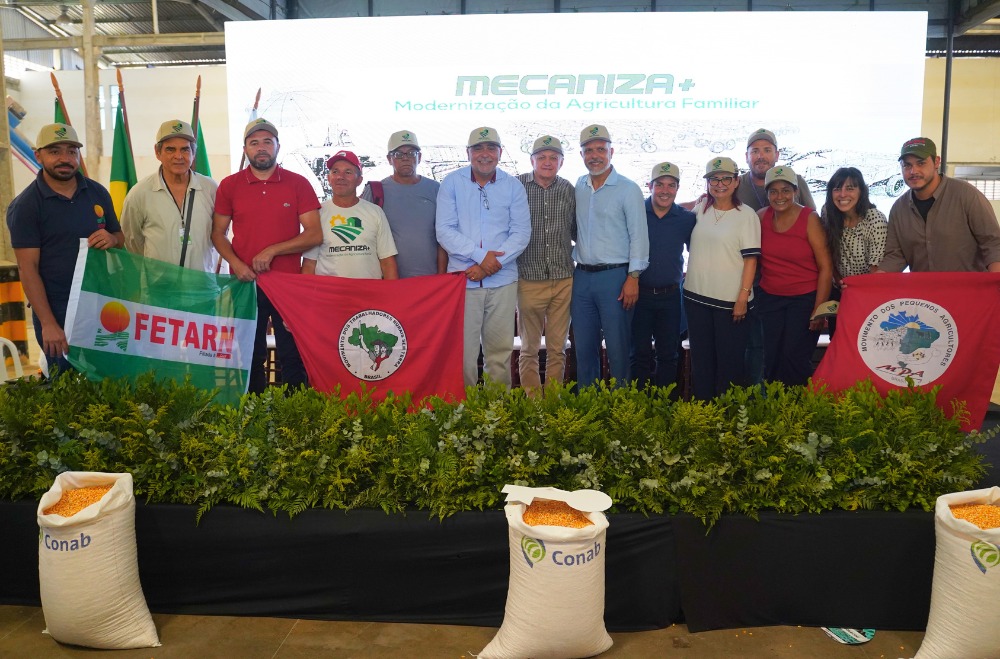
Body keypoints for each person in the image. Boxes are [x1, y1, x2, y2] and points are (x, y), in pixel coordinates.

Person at [212, 117, 322, 394]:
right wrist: (235, 264)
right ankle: (253, 414)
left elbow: (314, 234)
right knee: (249, 353)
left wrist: (274, 250)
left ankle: (295, 417)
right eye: (254, 143)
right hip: (245, 283)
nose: (261, 148)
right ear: (245, 149)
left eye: (267, 142)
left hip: (289, 285)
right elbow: (217, 234)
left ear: (277, 146)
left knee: (293, 353)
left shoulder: (298, 183)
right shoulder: (229, 185)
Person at [6, 123, 123, 373]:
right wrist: (48, 323)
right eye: (55, 151)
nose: (65, 159)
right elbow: (28, 270)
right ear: (38, 155)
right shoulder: (26, 206)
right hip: (57, 308)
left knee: (109, 380)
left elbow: (119, 236)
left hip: (100, 302)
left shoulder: (97, 193)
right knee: (68, 386)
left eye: (72, 151)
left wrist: (112, 239)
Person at [436, 127, 531, 388]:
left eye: (491, 148)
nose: (485, 154)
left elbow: (521, 232)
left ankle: (496, 416)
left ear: (500, 153)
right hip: (462, 281)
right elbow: (444, 230)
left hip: (502, 281)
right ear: (468, 153)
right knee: (463, 355)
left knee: (499, 354)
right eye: (478, 148)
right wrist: (480, 257)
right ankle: (464, 414)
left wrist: (489, 266)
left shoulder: (513, 186)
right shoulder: (452, 183)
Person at [736, 128, 815, 387]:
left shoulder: (796, 182)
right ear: (746, 156)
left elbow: (813, 224)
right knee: (758, 349)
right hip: (755, 285)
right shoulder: (737, 185)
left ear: (777, 154)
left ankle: (792, 408)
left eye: (767, 150)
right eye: (755, 151)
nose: (761, 156)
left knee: (791, 352)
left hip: (797, 289)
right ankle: (760, 405)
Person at [572, 124, 649, 388]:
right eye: (589, 150)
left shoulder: (628, 189)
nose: (595, 155)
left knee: (618, 349)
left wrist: (633, 277)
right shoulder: (579, 186)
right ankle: (587, 408)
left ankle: (621, 411)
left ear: (611, 152)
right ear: (581, 155)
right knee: (584, 349)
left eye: (601, 150)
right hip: (581, 277)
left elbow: (639, 236)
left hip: (615, 278)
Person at [683, 157, 760, 399]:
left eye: (726, 178)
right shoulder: (702, 207)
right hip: (696, 299)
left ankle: (727, 419)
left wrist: (742, 298)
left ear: (736, 182)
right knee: (702, 362)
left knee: (729, 364)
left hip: (730, 303)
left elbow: (751, 260)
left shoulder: (746, 215)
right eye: (714, 179)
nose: (720, 184)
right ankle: (703, 416)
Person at [756, 166, 833, 387]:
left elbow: (826, 267)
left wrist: (819, 311)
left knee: (795, 359)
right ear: (767, 194)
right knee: (771, 360)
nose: (779, 197)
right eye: (774, 191)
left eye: (785, 190)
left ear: (796, 191)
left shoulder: (809, 218)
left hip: (804, 299)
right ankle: (774, 411)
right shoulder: (761, 217)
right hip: (770, 298)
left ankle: (799, 414)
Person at [876, 137, 1000, 273]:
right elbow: (896, 256)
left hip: (969, 292)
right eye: (907, 165)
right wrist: (868, 286)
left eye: (921, 163)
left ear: (936, 162)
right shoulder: (899, 209)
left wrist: (995, 284)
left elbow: (993, 243)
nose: (913, 171)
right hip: (923, 293)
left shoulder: (966, 195)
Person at [515, 135, 576, 391]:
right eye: (542, 157)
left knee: (557, 348)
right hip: (529, 278)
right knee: (528, 349)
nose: (548, 162)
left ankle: (552, 404)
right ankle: (532, 406)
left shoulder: (568, 189)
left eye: (553, 158)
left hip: (563, 279)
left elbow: (577, 230)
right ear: (532, 160)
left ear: (561, 162)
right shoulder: (516, 186)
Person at [121, 119, 219, 271]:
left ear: (193, 152)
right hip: (159, 289)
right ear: (157, 152)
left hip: (202, 288)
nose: (178, 156)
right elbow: (132, 241)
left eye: (185, 149)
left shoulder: (211, 188)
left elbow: (220, 233)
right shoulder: (139, 193)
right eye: (170, 149)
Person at [631, 161, 696, 390]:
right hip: (639, 296)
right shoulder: (636, 212)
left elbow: (699, 251)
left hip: (670, 298)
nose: (665, 190)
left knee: (668, 355)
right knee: (639, 354)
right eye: (660, 184)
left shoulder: (686, 219)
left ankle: (664, 408)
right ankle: (637, 407)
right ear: (650, 185)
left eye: (671, 185)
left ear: (677, 189)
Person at [361, 130, 446, 278]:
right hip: (389, 281)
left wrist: (441, 277)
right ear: (389, 159)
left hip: (430, 280)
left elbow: (444, 238)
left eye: (411, 153)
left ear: (419, 157)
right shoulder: (375, 191)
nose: (405, 158)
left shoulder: (436, 189)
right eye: (398, 154)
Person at [303, 150, 398, 279]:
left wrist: (391, 297)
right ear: (328, 178)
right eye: (335, 172)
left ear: (359, 180)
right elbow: (309, 265)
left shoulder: (375, 212)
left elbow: (387, 263)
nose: (340, 177)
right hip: (330, 296)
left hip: (368, 295)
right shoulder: (317, 214)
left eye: (348, 172)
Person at [819, 167, 887, 335]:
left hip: (867, 293)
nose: (843, 194)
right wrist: (840, 282)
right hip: (838, 289)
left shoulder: (875, 219)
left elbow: (876, 266)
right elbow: (827, 253)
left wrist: (855, 289)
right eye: (837, 188)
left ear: (861, 191)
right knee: (838, 339)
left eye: (850, 188)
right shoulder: (827, 212)